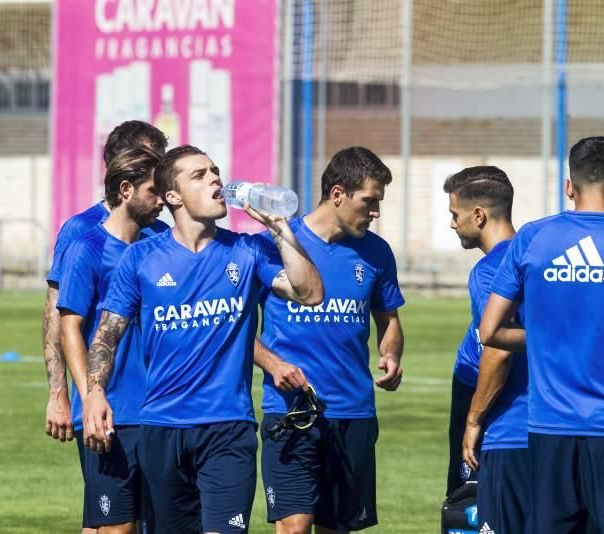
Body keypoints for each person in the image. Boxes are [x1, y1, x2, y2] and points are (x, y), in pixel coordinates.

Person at [83, 145, 324, 533]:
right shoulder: (141, 258)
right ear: (172, 196)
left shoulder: (248, 250)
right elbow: (106, 336)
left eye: (215, 170)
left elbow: (309, 292)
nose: (215, 178)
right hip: (161, 427)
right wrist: (94, 393)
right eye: (199, 174)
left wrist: (280, 230)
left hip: (228, 428)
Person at [254, 147, 405, 533]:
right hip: (291, 411)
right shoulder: (274, 244)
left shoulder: (377, 252)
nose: (375, 212)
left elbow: (388, 320)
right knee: (294, 527)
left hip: (353, 412)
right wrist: (273, 364)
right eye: (369, 201)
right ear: (337, 193)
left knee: (337, 528)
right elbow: (233, 328)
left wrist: (390, 354)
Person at [480, 137, 604, 533]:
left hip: (549, 425)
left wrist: (545, 336)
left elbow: (491, 331)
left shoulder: (533, 237)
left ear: (570, 186)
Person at [43, 120, 168, 448]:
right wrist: (59, 394)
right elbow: (58, 314)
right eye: (149, 157)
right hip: (107, 399)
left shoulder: (159, 233)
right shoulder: (81, 232)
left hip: (158, 406)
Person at [57, 147, 163, 533]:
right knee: (116, 528)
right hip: (110, 411)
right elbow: (69, 327)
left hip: (162, 411)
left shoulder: (162, 244)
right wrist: (89, 397)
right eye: (154, 190)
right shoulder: (88, 248)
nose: (163, 200)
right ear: (125, 190)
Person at [441, 166, 529, 533]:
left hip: (503, 421)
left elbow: (497, 347)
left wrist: (473, 420)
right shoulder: (535, 255)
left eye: (454, 215)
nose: (452, 224)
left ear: (478, 216)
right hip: (549, 422)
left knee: (470, 518)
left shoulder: (490, 270)